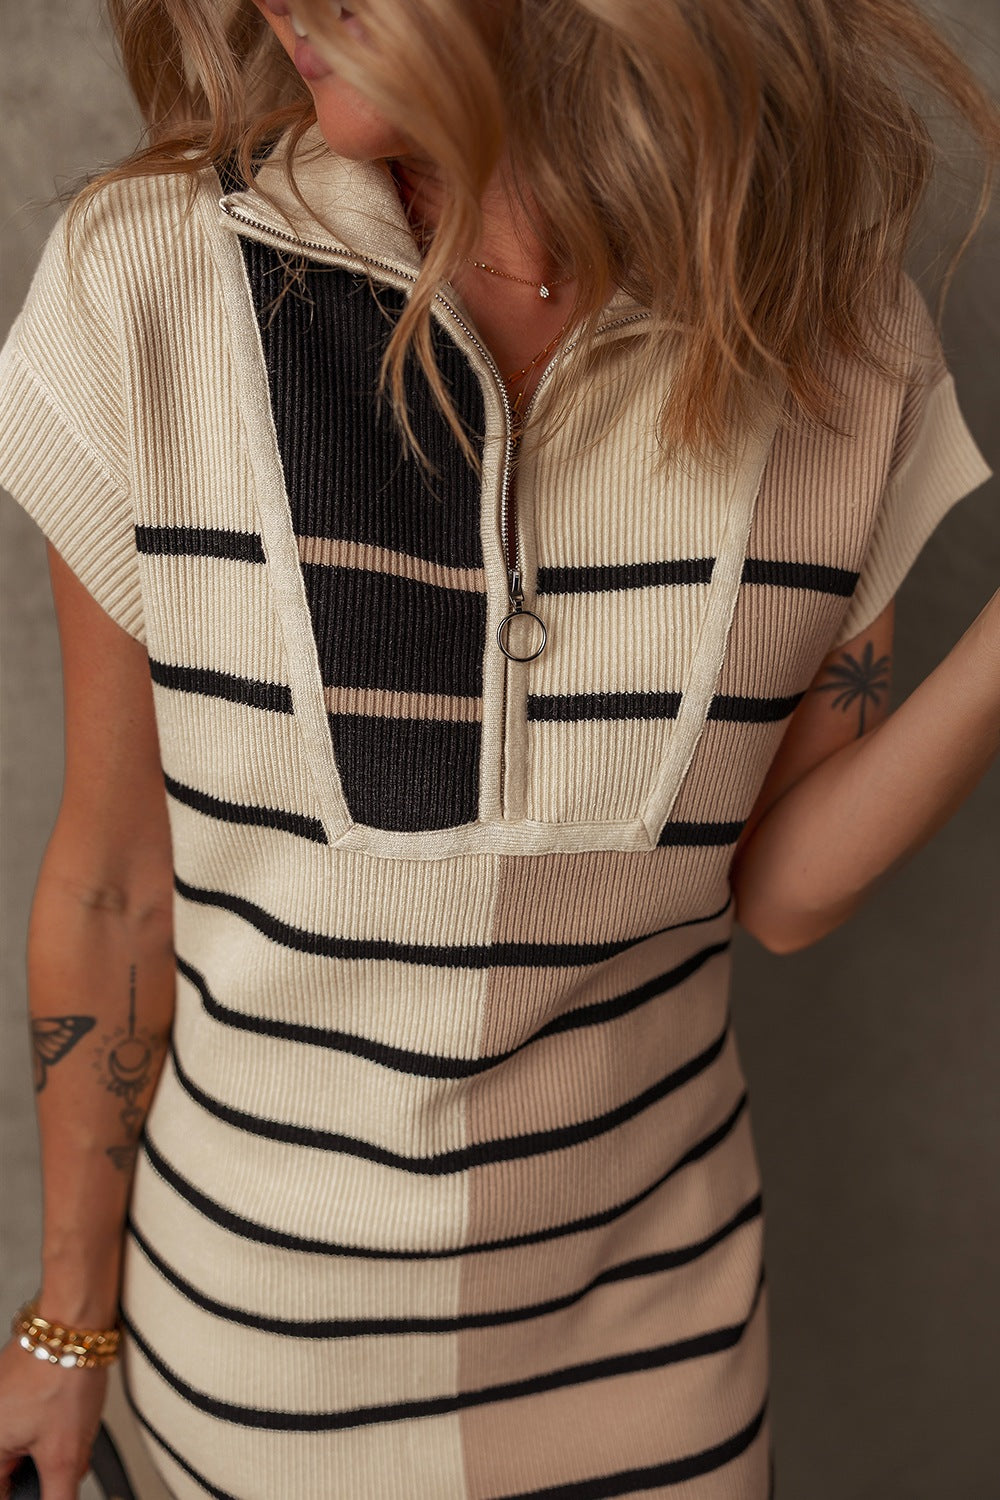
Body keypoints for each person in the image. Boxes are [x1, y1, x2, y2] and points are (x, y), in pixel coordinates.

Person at [0, 0, 997, 1496]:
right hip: (252, 1373)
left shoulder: (834, 333)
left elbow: (782, 891)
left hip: (655, 1366)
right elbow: (115, 880)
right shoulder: (146, 283)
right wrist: (67, 1322)